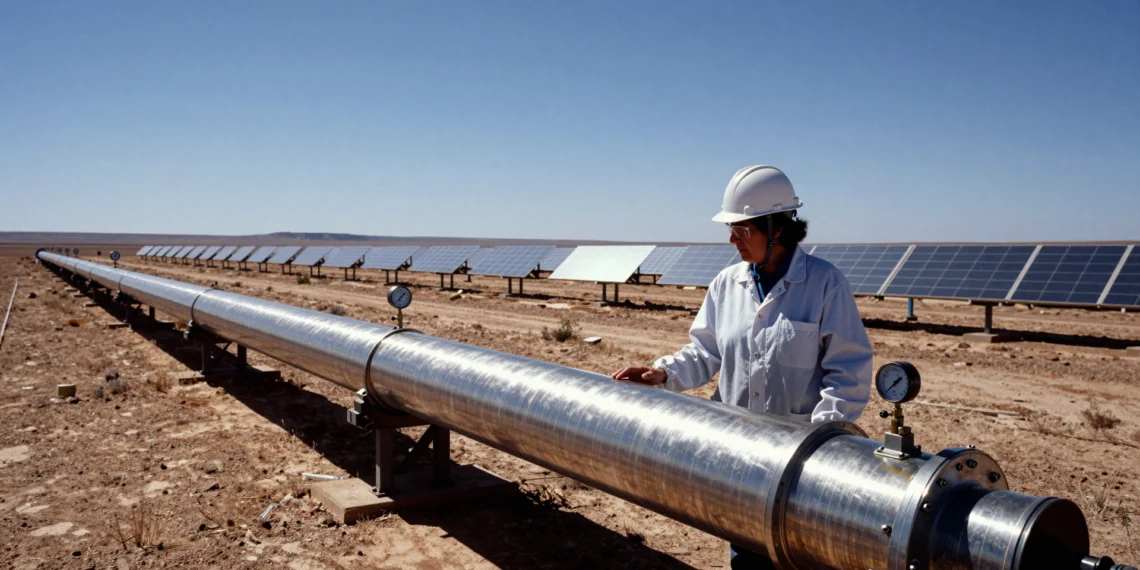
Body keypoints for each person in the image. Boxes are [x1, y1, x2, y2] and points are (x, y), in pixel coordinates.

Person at [611, 165, 873, 570]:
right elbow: (704, 351)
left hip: (799, 466)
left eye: (743, 229)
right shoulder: (726, 283)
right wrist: (663, 373)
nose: (732, 239)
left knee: (796, 555)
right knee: (747, 556)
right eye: (731, 229)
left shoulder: (824, 284)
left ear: (778, 229)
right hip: (738, 455)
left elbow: (849, 372)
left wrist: (823, 442)